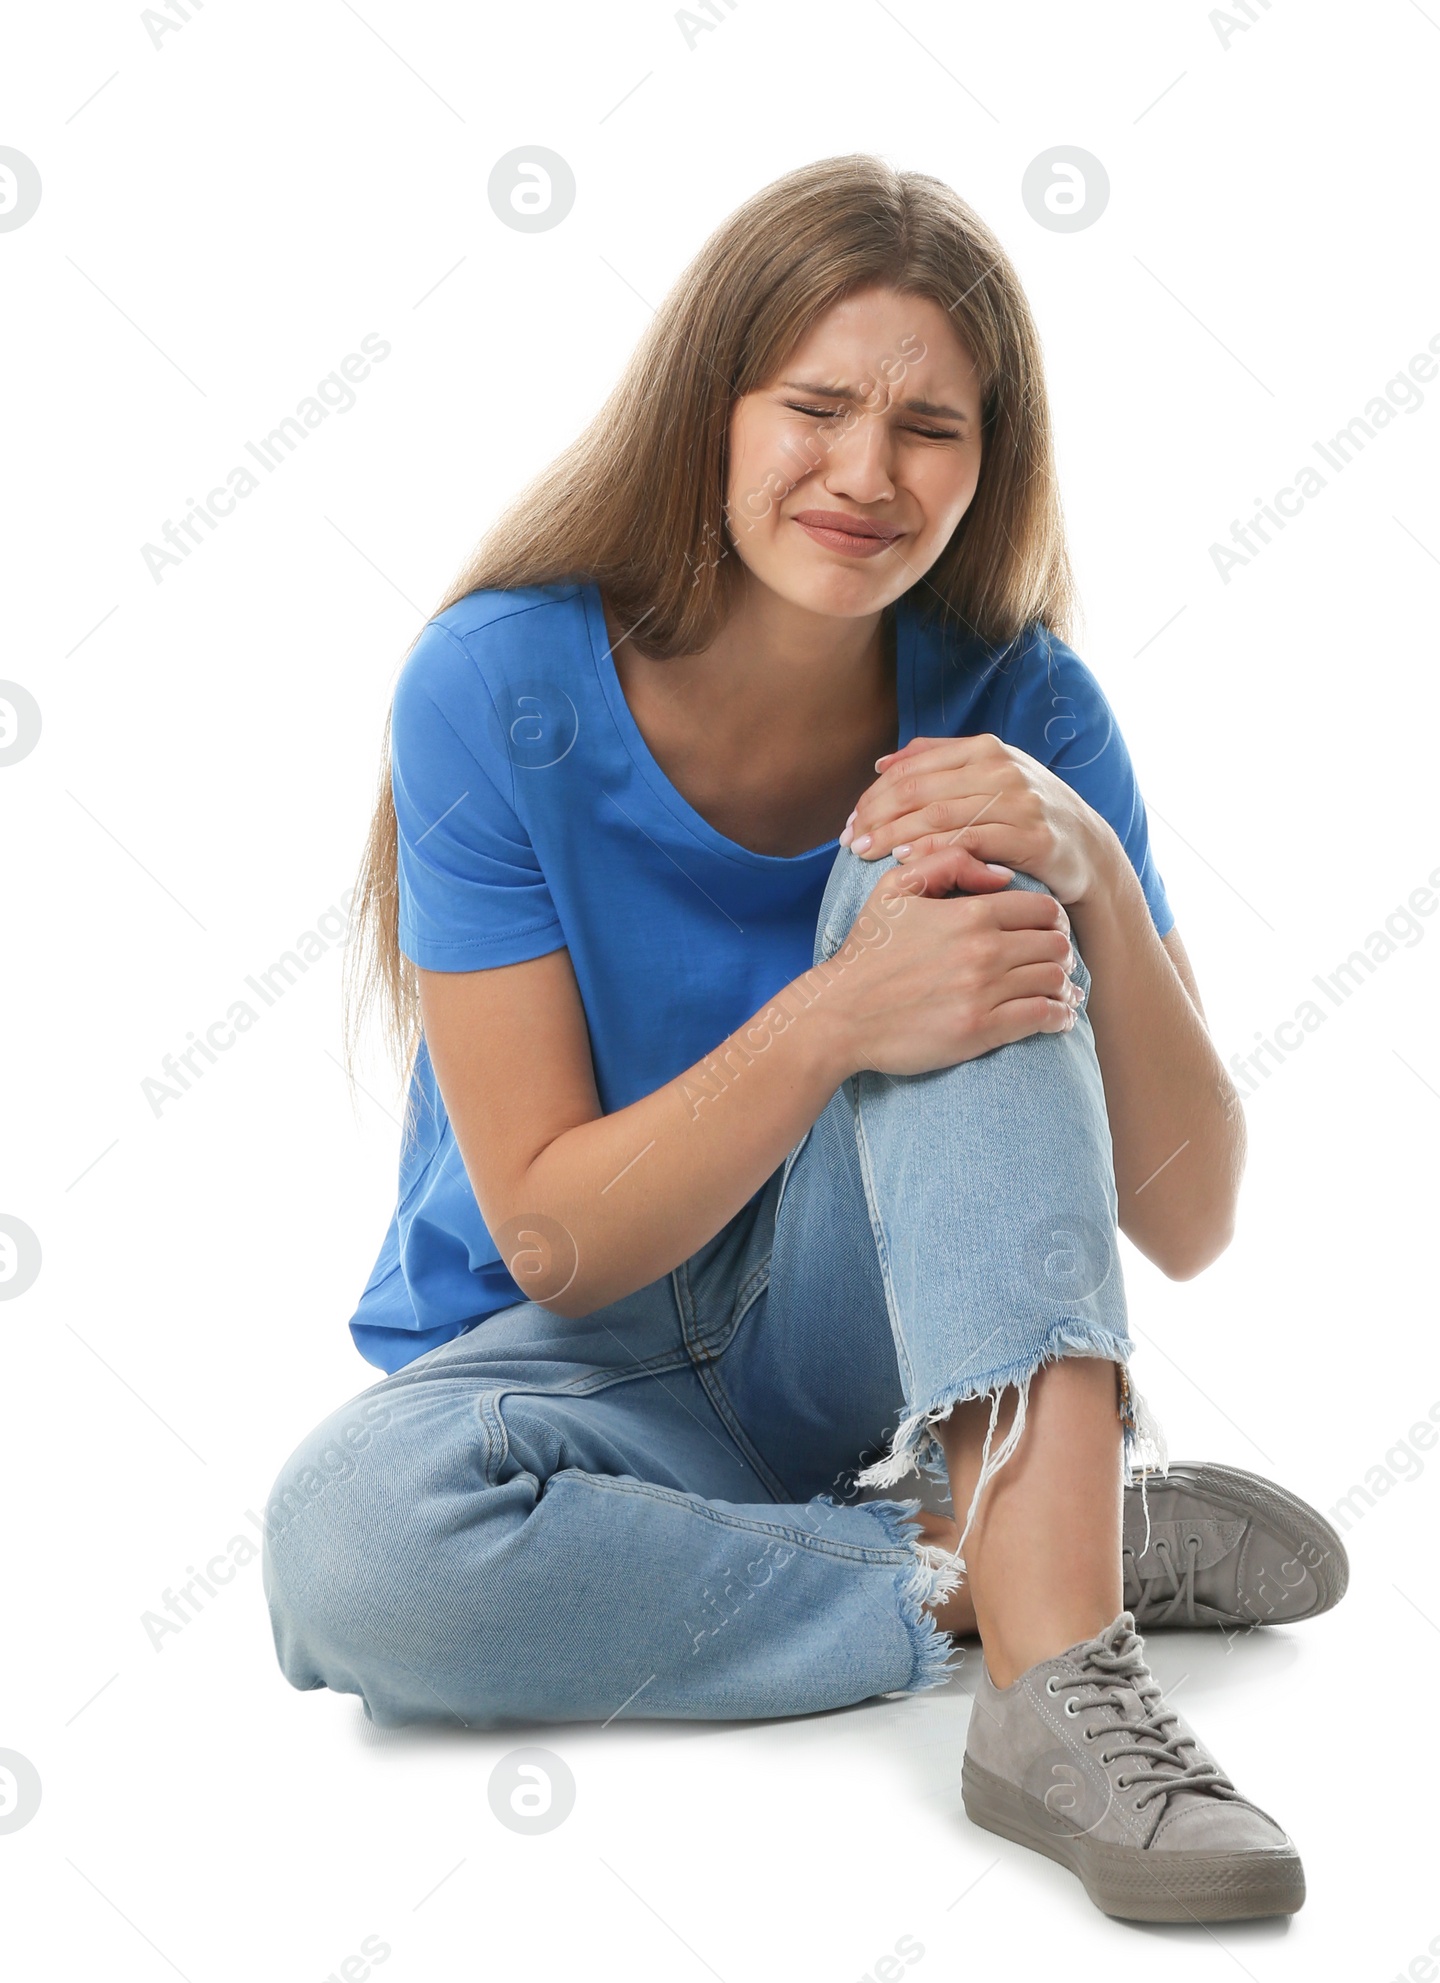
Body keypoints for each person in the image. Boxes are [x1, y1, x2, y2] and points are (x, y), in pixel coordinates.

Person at [261, 155, 1346, 1925]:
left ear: (989, 465)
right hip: (565, 1359)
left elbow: (1192, 1211)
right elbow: (547, 1228)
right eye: (818, 406)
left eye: (932, 427)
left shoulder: (1023, 703)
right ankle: (992, 1547)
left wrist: (1087, 871)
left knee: (961, 863)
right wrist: (841, 1015)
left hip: (853, 1331)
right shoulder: (495, 683)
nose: (867, 472)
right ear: (714, 410)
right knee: (352, 1556)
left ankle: (1056, 1677)